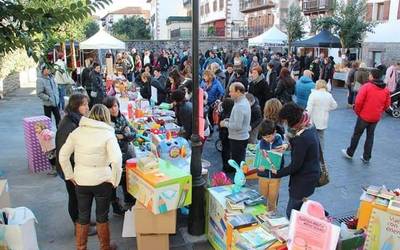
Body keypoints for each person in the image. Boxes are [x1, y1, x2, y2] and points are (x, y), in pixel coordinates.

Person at [59, 104, 122, 250]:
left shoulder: (77, 132)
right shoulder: (108, 134)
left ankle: (81, 247)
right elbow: (117, 160)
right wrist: (114, 180)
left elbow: (63, 155)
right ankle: (105, 247)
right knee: (102, 216)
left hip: (81, 180)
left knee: (83, 216)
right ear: (106, 117)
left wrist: (70, 175)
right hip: (102, 181)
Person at [55, 93, 97, 236]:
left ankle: (83, 221)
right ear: (75, 106)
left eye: (87, 104)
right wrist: (71, 173)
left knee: (82, 196)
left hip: (77, 167)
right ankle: (79, 226)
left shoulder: (76, 120)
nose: (87, 107)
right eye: (84, 105)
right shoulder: (68, 124)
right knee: (75, 197)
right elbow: (64, 153)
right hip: (71, 169)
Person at [271, 103, 321, 218]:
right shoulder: (308, 124)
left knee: (292, 212)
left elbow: (295, 166)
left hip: (303, 180)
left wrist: (278, 173)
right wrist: (286, 146)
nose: (285, 125)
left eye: (285, 121)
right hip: (311, 175)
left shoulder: (301, 138)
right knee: (300, 206)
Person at [342, 69, 391, 164]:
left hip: (364, 116)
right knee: (370, 136)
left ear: (372, 76)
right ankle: (366, 157)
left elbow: (358, 101)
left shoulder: (367, 87)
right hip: (375, 117)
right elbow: (387, 104)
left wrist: (358, 112)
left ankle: (350, 152)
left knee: (356, 135)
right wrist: (379, 111)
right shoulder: (385, 89)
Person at [103, 97, 136, 211]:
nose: (113, 109)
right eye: (110, 107)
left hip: (125, 153)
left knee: (126, 177)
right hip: (112, 156)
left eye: (115, 106)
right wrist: (124, 134)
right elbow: (109, 139)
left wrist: (122, 136)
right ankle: (116, 206)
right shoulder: (104, 122)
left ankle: (129, 200)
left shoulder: (122, 117)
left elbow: (133, 133)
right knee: (113, 181)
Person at [219, 82, 251, 173]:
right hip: (242, 137)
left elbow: (237, 126)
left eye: (231, 91)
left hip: (238, 138)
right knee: (240, 161)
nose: (229, 94)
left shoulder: (239, 106)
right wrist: (228, 120)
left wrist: (224, 123)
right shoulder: (244, 102)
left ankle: (239, 182)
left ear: (238, 92)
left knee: (238, 163)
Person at [257, 120, 284, 212]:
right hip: (263, 175)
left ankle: (272, 217)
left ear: (274, 132)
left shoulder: (279, 139)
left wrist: (285, 146)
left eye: (269, 136)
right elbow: (258, 157)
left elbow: (281, 157)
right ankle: (262, 217)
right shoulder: (261, 142)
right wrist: (259, 167)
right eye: (264, 137)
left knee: (272, 199)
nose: (266, 139)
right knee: (262, 199)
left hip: (275, 176)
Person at [306, 80, 337, 149]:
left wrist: (306, 118)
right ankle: (321, 155)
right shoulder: (329, 95)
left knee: (311, 137)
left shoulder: (313, 94)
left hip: (313, 120)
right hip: (323, 119)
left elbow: (309, 109)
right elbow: (335, 105)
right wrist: (327, 109)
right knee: (321, 138)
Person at [219, 98, 235, 173]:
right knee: (229, 151)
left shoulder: (223, 113)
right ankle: (229, 167)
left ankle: (225, 166)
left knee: (225, 151)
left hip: (223, 135)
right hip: (229, 135)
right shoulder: (232, 114)